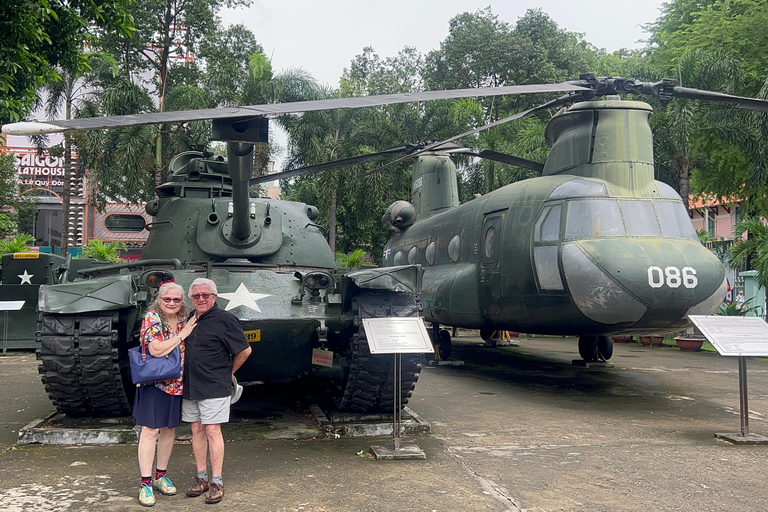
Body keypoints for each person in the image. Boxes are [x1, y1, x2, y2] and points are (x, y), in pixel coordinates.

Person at [182, 277, 252, 504]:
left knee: (212, 430)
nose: (201, 299)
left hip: (214, 385)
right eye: (196, 296)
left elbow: (245, 350)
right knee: (196, 428)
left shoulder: (226, 320)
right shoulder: (190, 319)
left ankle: (217, 481)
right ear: (191, 299)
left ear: (215, 297)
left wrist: (228, 373)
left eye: (206, 295)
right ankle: (201, 477)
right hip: (191, 385)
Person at [133, 282, 198, 507]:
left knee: (169, 431)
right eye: (166, 299)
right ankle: (145, 483)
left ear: (182, 301)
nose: (171, 303)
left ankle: (160, 476)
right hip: (156, 383)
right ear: (159, 300)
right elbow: (156, 349)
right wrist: (183, 335)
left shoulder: (183, 319)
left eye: (176, 300)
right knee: (150, 431)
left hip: (177, 384)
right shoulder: (153, 319)